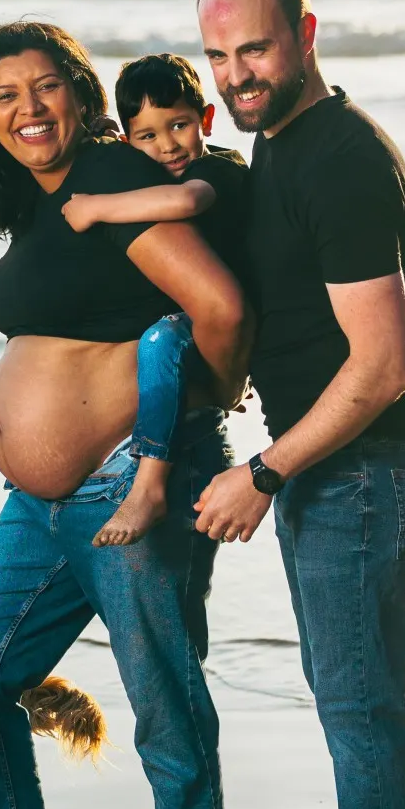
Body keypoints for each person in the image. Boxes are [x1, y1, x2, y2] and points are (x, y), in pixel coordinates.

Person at [0, 22, 252, 809]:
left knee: (162, 694)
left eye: (44, 87)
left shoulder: (111, 181)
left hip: (128, 488)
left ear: (81, 95)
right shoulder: (44, 205)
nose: (27, 108)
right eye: (3, 96)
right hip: (39, 504)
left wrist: (202, 405)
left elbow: (221, 308)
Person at [192, 0, 405, 809]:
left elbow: (385, 363)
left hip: (365, 470)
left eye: (254, 48)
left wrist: (265, 467)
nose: (237, 74)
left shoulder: (338, 157)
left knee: (358, 710)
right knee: (357, 701)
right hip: (347, 472)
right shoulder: (283, 146)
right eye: (217, 56)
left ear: (304, 31)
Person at [60, 52, 250, 547]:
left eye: (180, 125)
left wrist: (95, 208)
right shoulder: (147, 169)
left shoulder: (220, 167)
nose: (168, 145)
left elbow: (188, 202)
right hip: (191, 314)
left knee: (161, 341)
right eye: (148, 136)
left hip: (233, 314)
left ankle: (149, 486)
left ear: (206, 119)